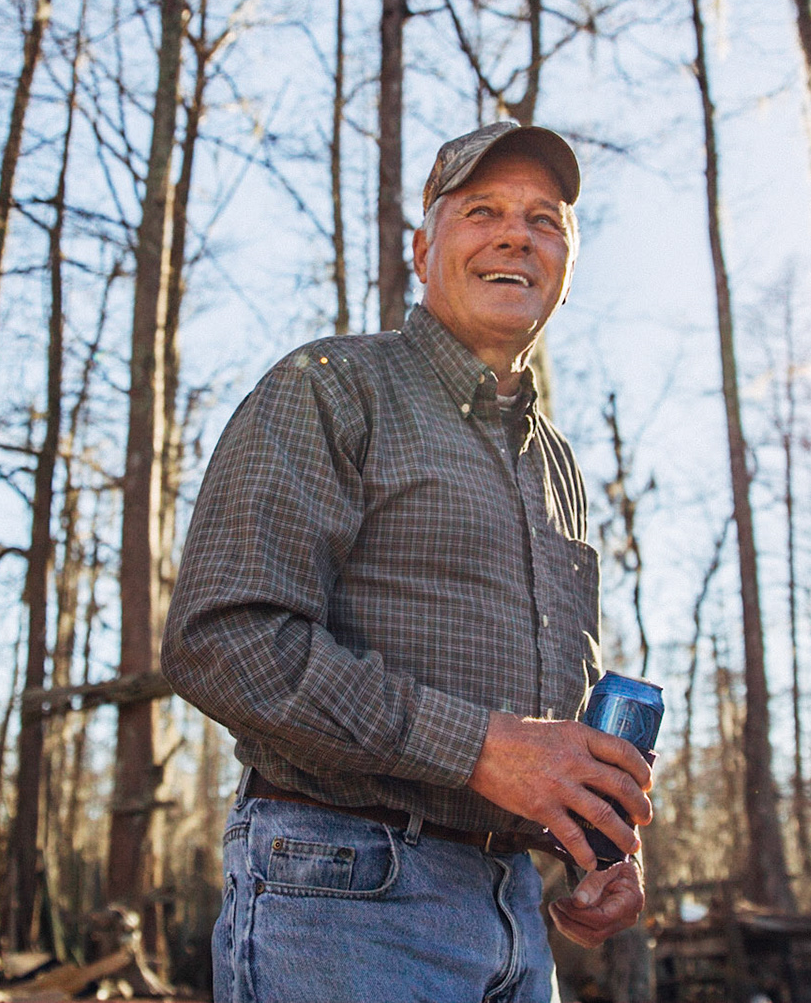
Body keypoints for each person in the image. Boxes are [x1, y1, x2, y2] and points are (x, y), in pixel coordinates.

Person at [162, 121, 651, 1003]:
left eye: (545, 221)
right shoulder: (330, 385)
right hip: (342, 892)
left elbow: (544, 725)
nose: (516, 236)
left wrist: (590, 843)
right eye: (483, 212)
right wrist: (479, 749)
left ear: (567, 266)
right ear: (423, 252)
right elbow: (221, 640)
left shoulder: (559, 465)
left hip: (515, 915)